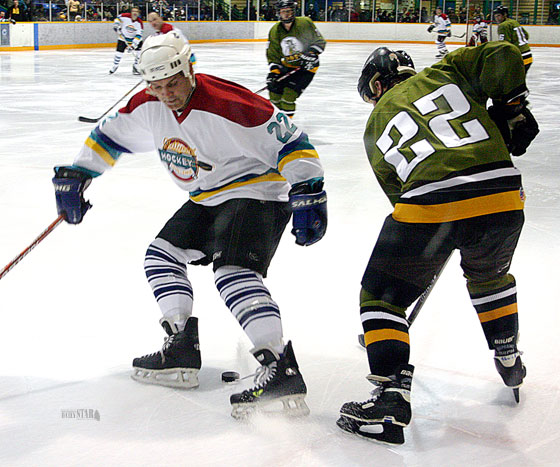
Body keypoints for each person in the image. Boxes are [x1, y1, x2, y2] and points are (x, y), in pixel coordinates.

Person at [51, 32, 327, 419]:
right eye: (156, 85)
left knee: (233, 271)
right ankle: (180, 346)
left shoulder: (228, 103)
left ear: (188, 68)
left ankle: (280, 367)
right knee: (161, 256)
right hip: (207, 195)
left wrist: (308, 190)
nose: (166, 93)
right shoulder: (149, 102)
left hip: (258, 190)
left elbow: (294, 143)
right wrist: (79, 172)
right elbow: (109, 135)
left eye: (173, 83)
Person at [336, 42, 539, 445]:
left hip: (430, 206)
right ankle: (508, 356)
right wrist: (512, 108)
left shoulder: (375, 123)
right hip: (503, 197)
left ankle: (391, 396)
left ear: (375, 86)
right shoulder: (447, 72)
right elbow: (503, 54)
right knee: (488, 277)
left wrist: (438, 236)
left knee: (382, 297)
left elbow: (399, 198)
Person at [266, 0, 326, 118]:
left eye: (288, 11)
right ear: (279, 13)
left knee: (289, 96)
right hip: (288, 66)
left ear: (293, 12)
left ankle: (287, 126)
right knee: (274, 93)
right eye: (283, 12)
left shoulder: (304, 23)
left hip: (307, 67)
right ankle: (276, 124)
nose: (286, 14)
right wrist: (274, 73)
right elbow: (273, 55)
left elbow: (319, 41)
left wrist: (312, 53)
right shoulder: (275, 31)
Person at [494, 5, 532, 72]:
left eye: (499, 16)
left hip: (519, 57)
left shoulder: (503, 25)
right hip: (528, 55)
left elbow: (504, 44)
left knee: (510, 80)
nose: (497, 18)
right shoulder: (514, 22)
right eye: (495, 16)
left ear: (505, 15)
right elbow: (526, 35)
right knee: (520, 80)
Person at [110, 6, 144, 75]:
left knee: (139, 54)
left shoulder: (139, 23)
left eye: (136, 12)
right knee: (118, 54)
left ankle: (135, 67)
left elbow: (139, 35)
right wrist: (116, 24)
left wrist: (133, 45)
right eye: (133, 11)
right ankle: (115, 66)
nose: (135, 13)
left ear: (138, 13)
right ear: (131, 12)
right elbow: (118, 18)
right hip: (123, 38)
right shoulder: (125, 16)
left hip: (135, 40)